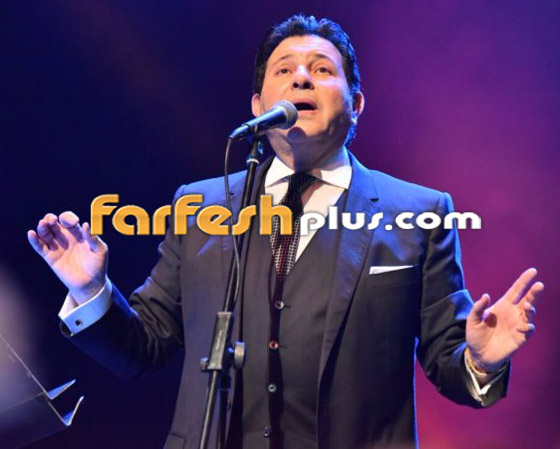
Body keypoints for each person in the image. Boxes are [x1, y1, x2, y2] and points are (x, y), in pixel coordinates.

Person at [28, 15, 543, 449]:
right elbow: (145, 347)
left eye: (321, 70)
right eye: (284, 70)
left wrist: (480, 361)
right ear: (258, 106)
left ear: (357, 104)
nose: (301, 79)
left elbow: (449, 362)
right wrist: (90, 290)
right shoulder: (200, 205)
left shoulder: (418, 212)